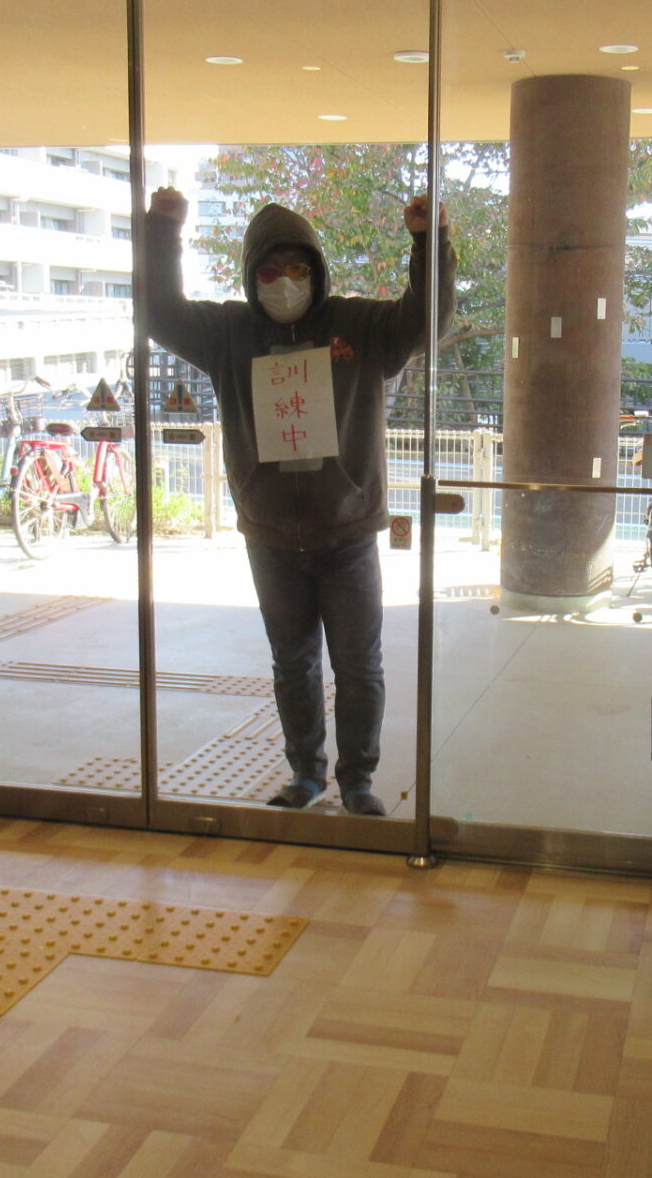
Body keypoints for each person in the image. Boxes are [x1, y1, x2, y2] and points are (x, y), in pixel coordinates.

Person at [145, 186, 455, 817]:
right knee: (292, 664)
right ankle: (306, 775)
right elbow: (161, 315)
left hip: (348, 534)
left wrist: (430, 244)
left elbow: (426, 320)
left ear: (315, 270)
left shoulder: (357, 326)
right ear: (250, 277)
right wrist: (162, 232)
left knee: (358, 667)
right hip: (271, 537)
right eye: (268, 271)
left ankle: (358, 781)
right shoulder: (229, 333)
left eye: (296, 268)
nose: (283, 282)